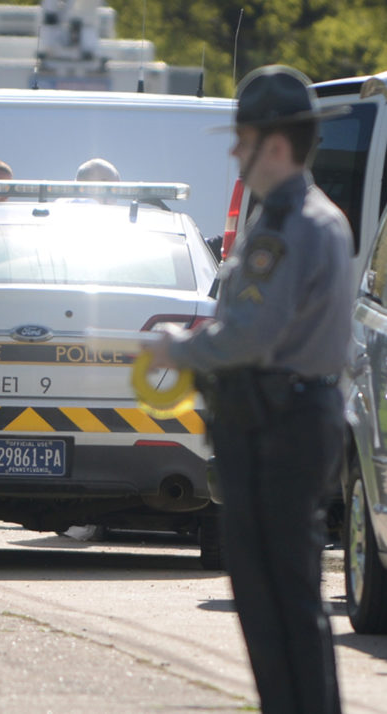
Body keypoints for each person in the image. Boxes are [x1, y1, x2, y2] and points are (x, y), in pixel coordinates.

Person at [143, 65, 350, 714]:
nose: (234, 153)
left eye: (243, 139)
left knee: (275, 598)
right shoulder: (312, 218)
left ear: (277, 146)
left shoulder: (289, 227)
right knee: (286, 597)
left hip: (276, 426)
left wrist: (174, 348)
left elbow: (249, 336)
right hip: (288, 417)